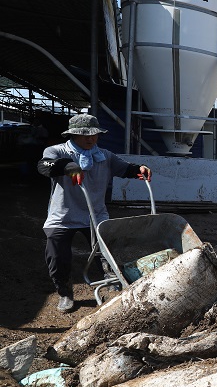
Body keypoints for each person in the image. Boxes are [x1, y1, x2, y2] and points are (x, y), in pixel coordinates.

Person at [37, 114, 152, 312]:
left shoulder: (104, 156)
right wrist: (66, 166)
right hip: (63, 216)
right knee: (57, 257)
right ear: (72, 134)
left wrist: (138, 169)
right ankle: (64, 293)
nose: (90, 139)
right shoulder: (57, 151)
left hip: (95, 214)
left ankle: (115, 287)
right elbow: (43, 166)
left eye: (94, 135)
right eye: (84, 135)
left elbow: (125, 169)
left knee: (106, 254)